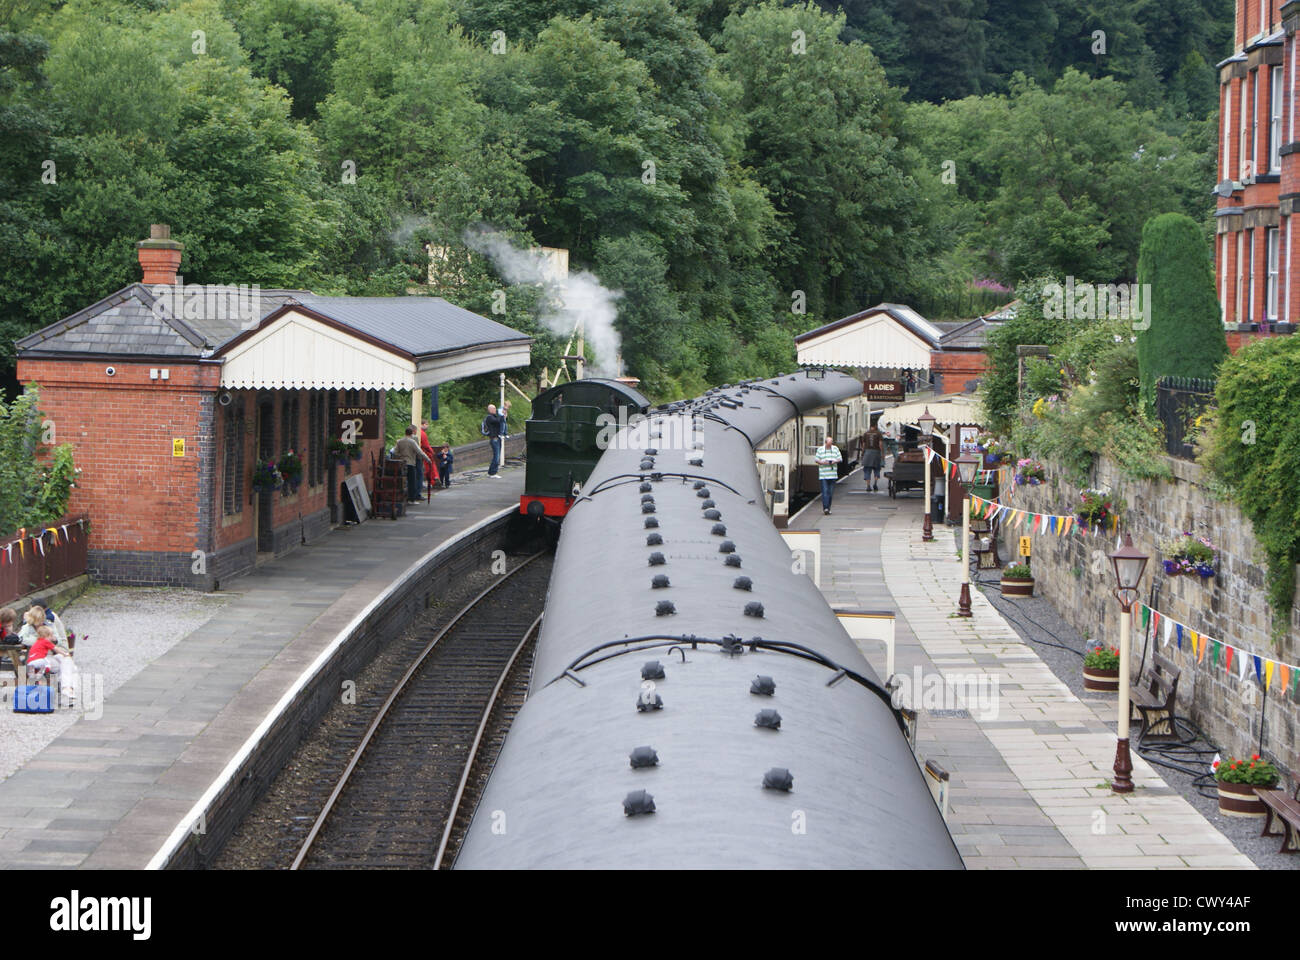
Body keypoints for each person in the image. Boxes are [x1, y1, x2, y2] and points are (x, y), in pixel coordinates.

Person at [26, 624, 78, 705]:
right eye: (51, 635)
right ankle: (66, 690)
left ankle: (66, 689)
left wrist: (55, 639)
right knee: (68, 663)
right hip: (43, 659)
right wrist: (65, 653)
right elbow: (56, 649)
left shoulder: (49, 624)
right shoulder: (29, 628)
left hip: (33, 661)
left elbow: (59, 641)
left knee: (67, 662)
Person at [394, 425, 431, 503]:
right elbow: (419, 452)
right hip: (410, 463)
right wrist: (427, 459)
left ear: (405, 433)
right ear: (411, 434)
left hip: (402, 463)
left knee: (403, 481)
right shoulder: (412, 442)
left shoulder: (399, 441)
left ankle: (404, 498)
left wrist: (401, 456)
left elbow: (395, 452)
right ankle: (411, 499)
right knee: (412, 482)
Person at [814, 434, 842, 515]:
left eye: (831, 444)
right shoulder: (820, 450)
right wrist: (822, 462)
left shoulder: (835, 449)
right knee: (825, 491)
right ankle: (825, 508)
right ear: (825, 443)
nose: (830, 445)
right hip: (823, 474)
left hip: (833, 474)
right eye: (828, 444)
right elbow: (816, 459)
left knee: (830, 492)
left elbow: (840, 459)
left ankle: (828, 507)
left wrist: (834, 461)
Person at [482, 403, 508, 477]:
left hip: (498, 438)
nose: (495, 410)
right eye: (494, 409)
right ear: (490, 409)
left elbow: (502, 421)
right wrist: (502, 415)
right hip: (494, 439)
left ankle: (491, 472)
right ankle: (492, 473)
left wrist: (504, 415)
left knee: (497, 456)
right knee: (496, 457)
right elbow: (497, 421)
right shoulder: (489, 417)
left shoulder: (494, 417)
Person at [862, 425, 886, 493]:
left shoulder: (866, 433)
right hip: (876, 453)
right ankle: (875, 483)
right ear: (876, 428)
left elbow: (863, 445)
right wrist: (882, 453)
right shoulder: (878, 433)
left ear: (870, 427)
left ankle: (868, 486)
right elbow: (880, 444)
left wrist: (863, 452)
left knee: (867, 470)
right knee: (877, 469)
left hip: (867, 453)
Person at [419, 421, 440, 491]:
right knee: (430, 467)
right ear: (422, 424)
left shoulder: (420, 433)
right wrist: (431, 451)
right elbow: (426, 445)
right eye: (426, 424)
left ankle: (433, 480)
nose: (427, 426)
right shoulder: (423, 434)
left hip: (422, 452)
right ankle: (434, 480)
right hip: (425, 453)